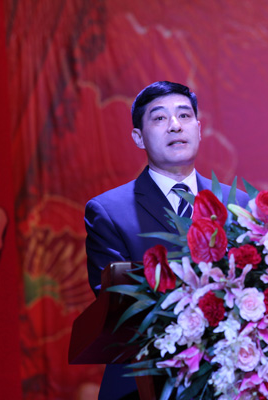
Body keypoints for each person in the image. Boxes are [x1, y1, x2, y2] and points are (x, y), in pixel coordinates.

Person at [84, 81, 249, 399]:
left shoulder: (238, 205)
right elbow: (116, 304)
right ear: (138, 137)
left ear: (198, 129)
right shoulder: (108, 211)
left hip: (229, 380)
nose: (175, 125)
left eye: (184, 116)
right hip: (143, 383)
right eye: (159, 118)